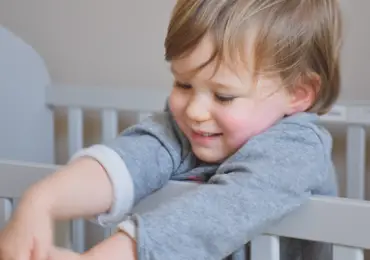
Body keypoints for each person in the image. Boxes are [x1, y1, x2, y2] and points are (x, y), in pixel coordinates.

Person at [0, 0, 343, 259]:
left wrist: (117, 252)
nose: (194, 110)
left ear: (298, 94)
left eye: (223, 96)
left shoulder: (299, 148)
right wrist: (41, 201)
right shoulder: (184, 131)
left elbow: (224, 210)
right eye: (183, 84)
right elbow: (127, 161)